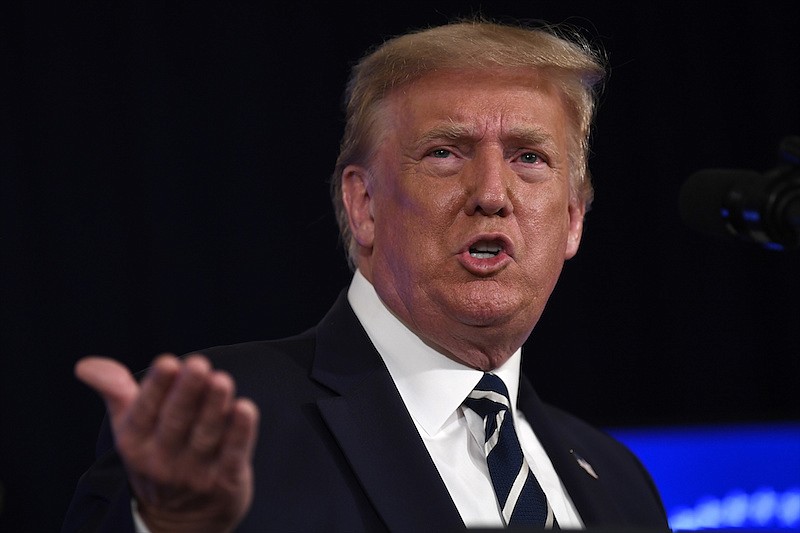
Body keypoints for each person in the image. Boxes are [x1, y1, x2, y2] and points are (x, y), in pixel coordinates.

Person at [63, 19, 669, 532]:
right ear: (365, 206)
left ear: (572, 219)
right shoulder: (218, 429)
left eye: (529, 158)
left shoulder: (618, 481)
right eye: (445, 152)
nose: (491, 194)